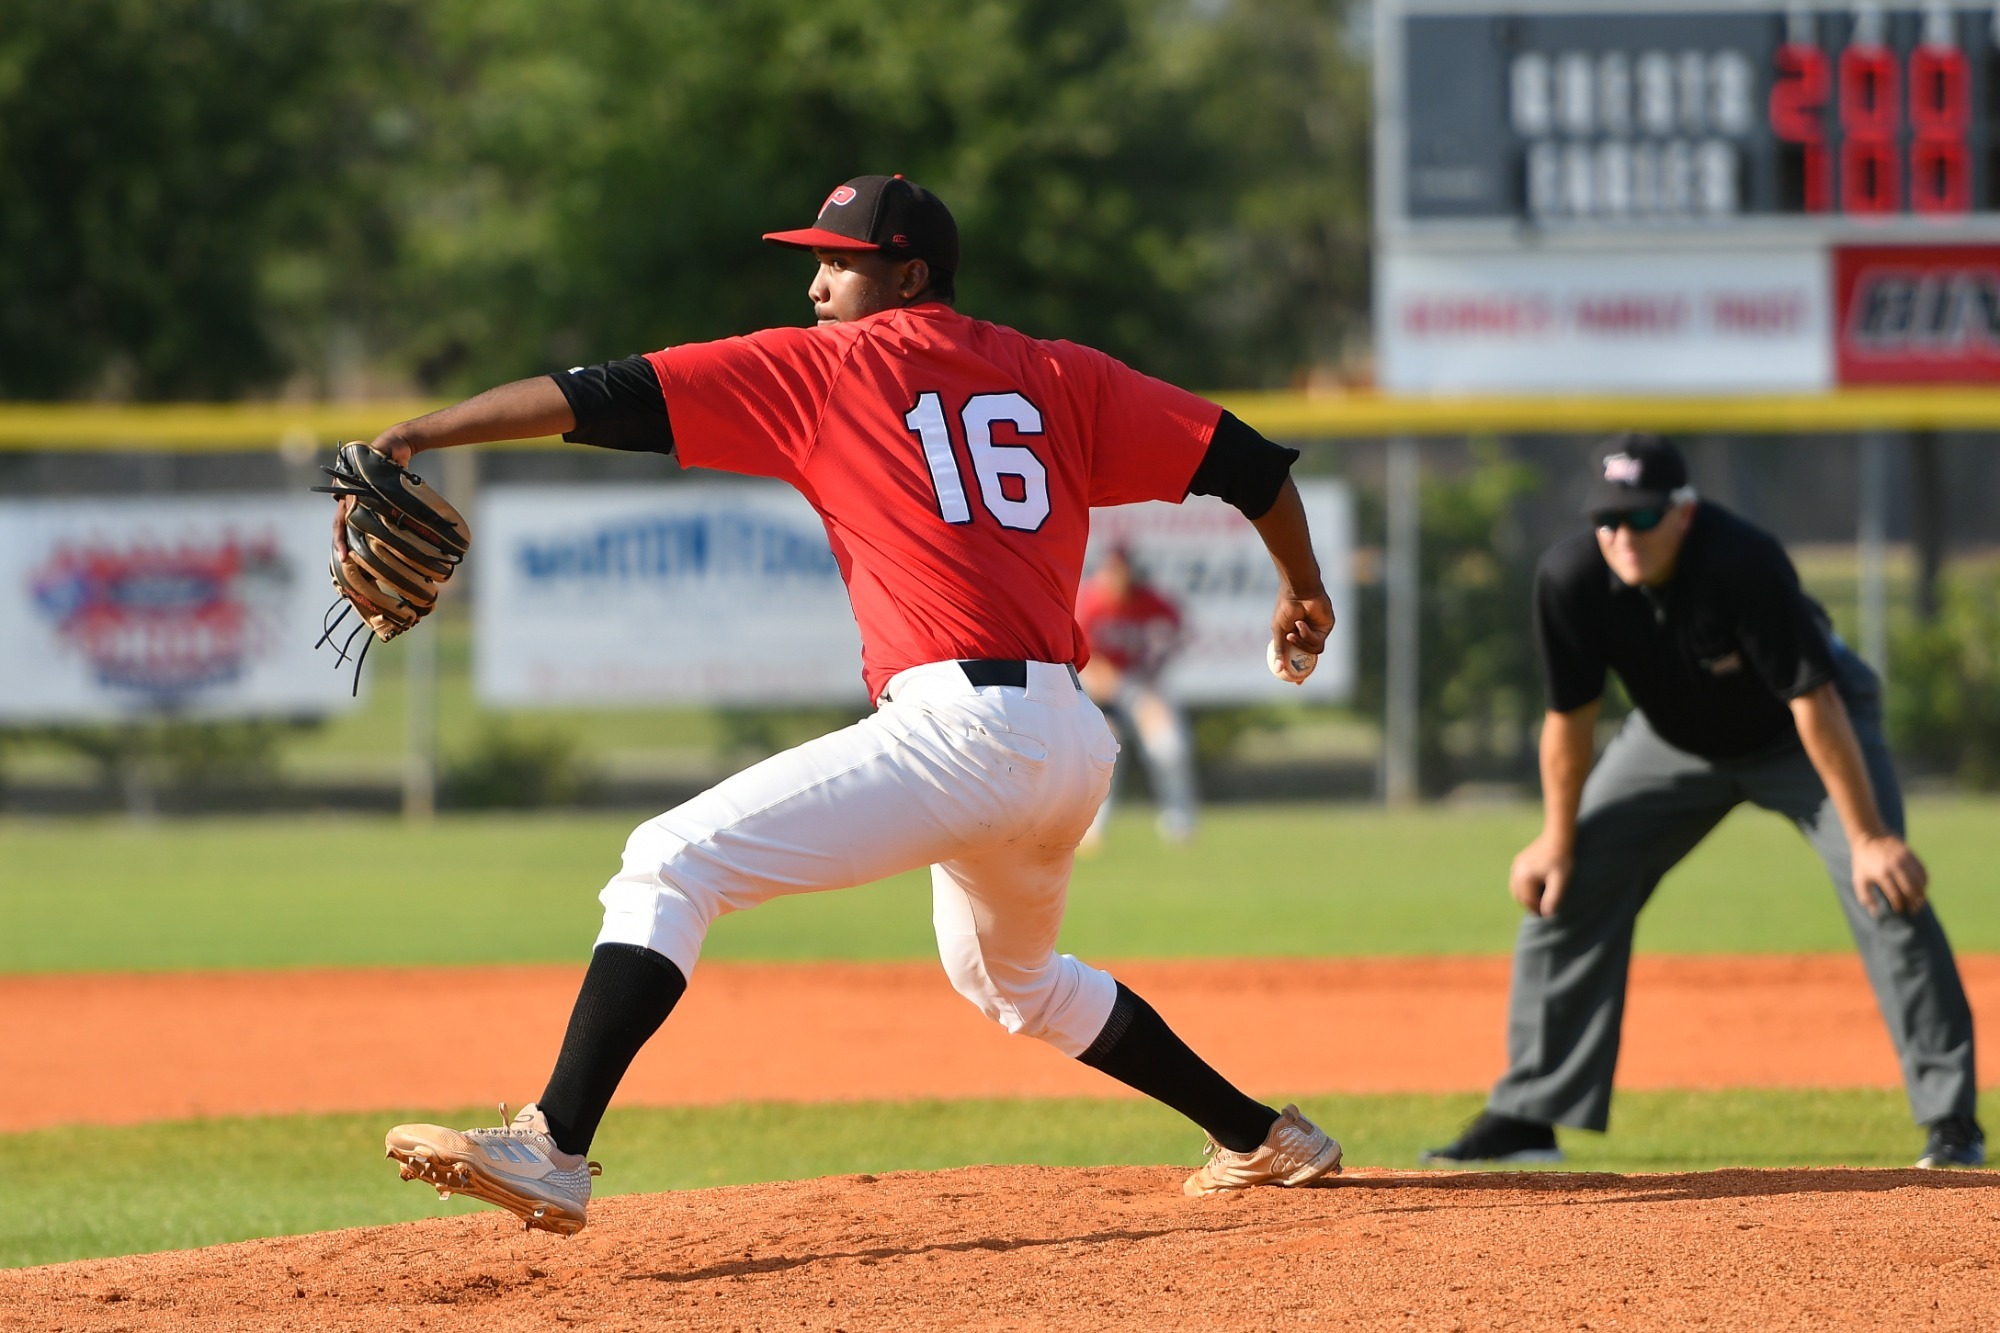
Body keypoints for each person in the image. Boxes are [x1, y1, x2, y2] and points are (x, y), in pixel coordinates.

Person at [364, 174, 1344, 1235]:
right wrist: (1302, 587)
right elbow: (1247, 462)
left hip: (961, 731)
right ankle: (1259, 1136)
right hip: (1067, 740)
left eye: (839, 263)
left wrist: (419, 433)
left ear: (910, 274)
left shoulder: (828, 370)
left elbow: (600, 392)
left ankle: (552, 1143)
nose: (818, 285)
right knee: (1009, 979)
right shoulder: (1060, 375)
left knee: (669, 859)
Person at [1422, 434, 1982, 1170]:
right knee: (1568, 881)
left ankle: (1951, 1124)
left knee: (1885, 884)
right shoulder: (1571, 576)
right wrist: (1556, 837)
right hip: (1676, 738)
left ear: (1683, 512)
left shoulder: (1740, 560)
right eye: (1608, 519)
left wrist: (1872, 835)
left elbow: (1814, 701)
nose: (1623, 535)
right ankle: (1531, 1115)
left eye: (1643, 517)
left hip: (1803, 731)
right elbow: (1569, 721)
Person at [1075, 545, 1199, 845]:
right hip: (1096, 686)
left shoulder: (1149, 601)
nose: (1114, 577)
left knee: (1169, 748)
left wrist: (1151, 679)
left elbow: (1178, 633)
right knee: (1103, 753)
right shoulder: (1089, 600)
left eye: (1120, 570)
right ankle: (1092, 828)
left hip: (1140, 684)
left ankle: (1180, 826)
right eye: (1109, 570)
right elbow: (1085, 660)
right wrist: (1130, 694)